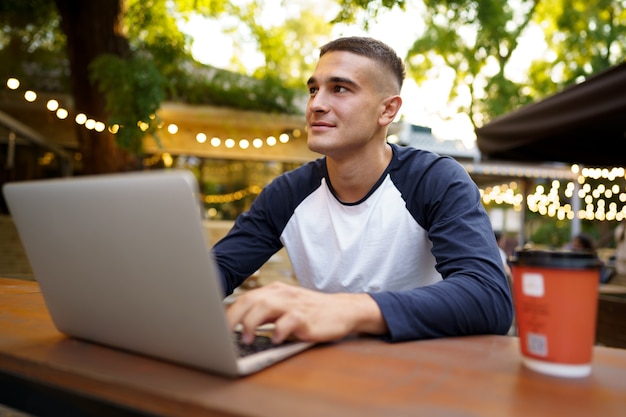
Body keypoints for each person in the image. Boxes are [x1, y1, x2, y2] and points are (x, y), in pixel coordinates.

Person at [213, 36, 513, 345]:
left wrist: (346, 309)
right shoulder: (286, 193)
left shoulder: (434, 180)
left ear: (387, 110)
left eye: (339, 89)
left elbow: (488, 297)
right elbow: (217, 271)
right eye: (314, 89)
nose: (316, 104)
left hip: (420, 372)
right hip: (319, 371)